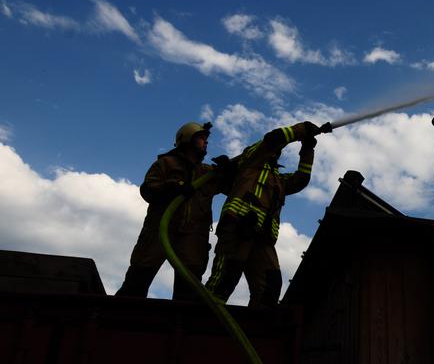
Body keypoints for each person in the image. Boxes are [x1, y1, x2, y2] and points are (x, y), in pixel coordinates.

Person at [205, 121, 320, 308]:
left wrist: (307, 149)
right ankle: (202, 323)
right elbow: (273, 138)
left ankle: (255, 332)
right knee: (225, 279)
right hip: (239, 227)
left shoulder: (278, 179)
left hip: (263, 237)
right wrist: (303, 128)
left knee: (270, 285)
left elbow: (301, 179)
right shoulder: (249, 161)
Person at [116, 121, 232, 301]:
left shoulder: (207, 172)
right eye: (201, 138)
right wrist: (173, 188)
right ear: (187, 139)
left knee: (188, 293)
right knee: (137, 281)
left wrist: (228, 170)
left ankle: (180, 327)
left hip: (193, 236)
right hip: (159, 231)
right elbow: (148, 189)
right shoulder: (166, 163)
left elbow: (230, 188)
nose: (206, 142)